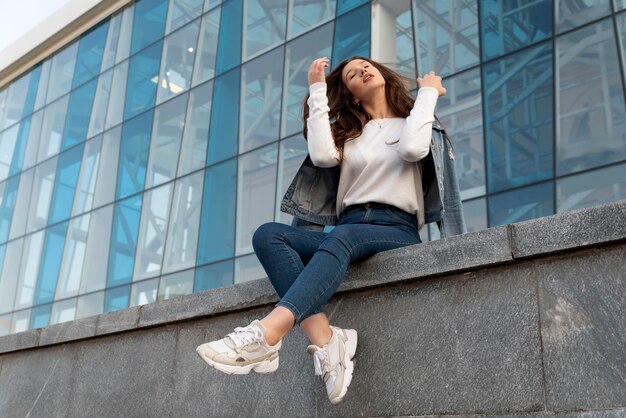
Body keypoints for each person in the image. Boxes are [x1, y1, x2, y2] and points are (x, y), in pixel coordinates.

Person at [196, 56, 453, 405]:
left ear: (381, 75)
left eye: (367, 66)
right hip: (349, 226)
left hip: (396, 227)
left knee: (339, 238)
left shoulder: (415, 122)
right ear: (351, 95)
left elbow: (413, 148)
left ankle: (268, 334)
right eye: (352, 74)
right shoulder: (350, 135)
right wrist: (318, 88)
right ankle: (325, 336)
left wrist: (427, 94)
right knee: (269, 235)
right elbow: (320, 155)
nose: (363, 71)